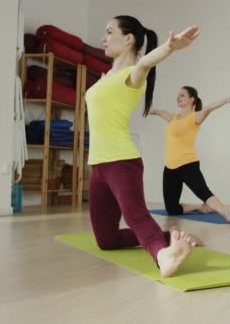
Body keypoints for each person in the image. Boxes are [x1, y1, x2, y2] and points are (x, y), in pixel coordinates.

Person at [86, 15, 202, 277]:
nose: (103, 38)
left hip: (121, 162)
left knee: (135, 216)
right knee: (106, 240)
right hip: (98, 167)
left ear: (128, 39)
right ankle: (169, 237)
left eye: (109, 32)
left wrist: (171, 47)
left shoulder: (133, 74)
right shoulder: (108, 76)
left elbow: (147, 61)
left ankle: (165, 256)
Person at [149, 87, 230, 222]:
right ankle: (202, 208)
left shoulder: (195, 117)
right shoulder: (174, 118)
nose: (178, 97)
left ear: (191, 99)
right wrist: (153, 111)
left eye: (182, 95)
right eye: (178, 95)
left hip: (187, 164)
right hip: (169, 168)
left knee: (203, 192)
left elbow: (209, 108)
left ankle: (226, 211)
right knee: (172, 209)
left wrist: (228, 100)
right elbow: (162, 112)